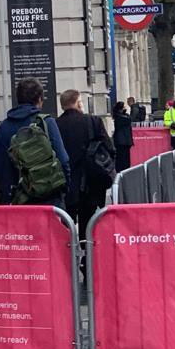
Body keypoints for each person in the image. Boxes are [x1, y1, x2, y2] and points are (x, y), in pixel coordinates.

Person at [0, 77, 69, 207]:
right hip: (48, 200)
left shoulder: (4, 127)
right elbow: (63, 160)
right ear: (40, 100)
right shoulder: (47, 123)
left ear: (18, 99)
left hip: (15, 201)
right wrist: (62, 191)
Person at [57, 90, 114, 240]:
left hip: (65, 184)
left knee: (65, 224)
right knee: (88, 225)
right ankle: (85, 258)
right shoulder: (93, 121)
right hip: (90, 182)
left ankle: (68, 257)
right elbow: (109, 148)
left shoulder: (55, 125)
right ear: (78, 103)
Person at [112, 101, 134, 172]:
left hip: (125, 141)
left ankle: (125, 170)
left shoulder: (122, 116)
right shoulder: (119, 117)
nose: (125, 108)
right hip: (122, 141)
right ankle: (121, 170)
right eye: (124, 106)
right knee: (122, 158)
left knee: (126, 158)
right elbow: (129, 119)